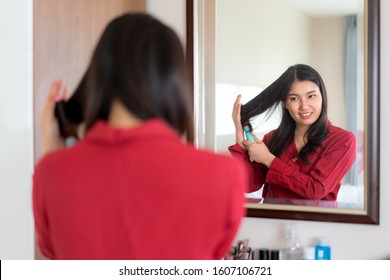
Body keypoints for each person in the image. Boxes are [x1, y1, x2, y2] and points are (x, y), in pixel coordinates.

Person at [33, 13, 247, 260]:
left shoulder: (52, 171)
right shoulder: (222, 174)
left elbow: (54, 252)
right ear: (175, 84)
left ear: (99, 75)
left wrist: (52, 149)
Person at [229, 64, 356, 201]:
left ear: (322, 97)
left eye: (311, 96)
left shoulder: (342, 140)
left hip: (316, 222)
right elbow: (249, 185)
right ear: (285, 103)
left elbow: (315, 190)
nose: (304, 106)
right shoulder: (272, 138)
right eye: (294, 98)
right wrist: (240, 133)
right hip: (271, 221)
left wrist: (267, 159)